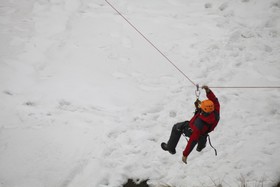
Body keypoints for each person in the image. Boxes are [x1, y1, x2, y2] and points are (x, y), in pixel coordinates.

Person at [161, 85, 220, 164]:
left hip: (192, 129)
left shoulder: (199, 125)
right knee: (202, 136)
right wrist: (208, 91)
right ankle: (201, 146)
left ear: (204, 110)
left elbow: (192, 141)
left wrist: (185, 154)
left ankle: (170, 148)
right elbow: (214, 100)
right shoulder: (215, 111)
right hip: (203, 132)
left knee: (176, 128)